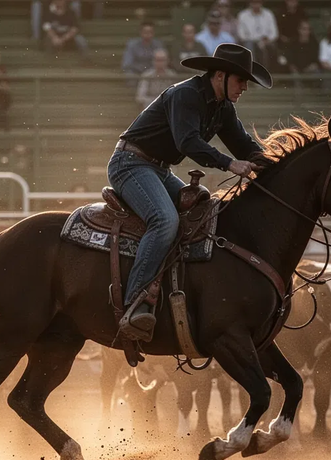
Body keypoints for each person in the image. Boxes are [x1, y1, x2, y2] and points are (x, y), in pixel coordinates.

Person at [109, 43, 272, 341]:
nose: (245, 87)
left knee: (202, 213)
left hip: (157, 170)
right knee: (165, 221)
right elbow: (188, 142)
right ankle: (135, 302)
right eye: (241, 80)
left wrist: (277, 165)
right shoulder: (184, 95)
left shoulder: (222, 108)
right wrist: (229, 163)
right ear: (220, 75)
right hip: (130, 164)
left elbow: (245, 145)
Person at [236, 0, 277, 70]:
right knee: (249, 45)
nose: (256, 5)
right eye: (254, 2)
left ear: (261, 3)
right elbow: (241, 35)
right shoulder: (243, 15)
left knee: (266, 48)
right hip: (249, 41)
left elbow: (274, 33)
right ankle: (252, 70)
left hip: (266, 42)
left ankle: (266, 71)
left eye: (258, 2)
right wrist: (255, 40)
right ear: (250, 3)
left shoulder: (268, 14)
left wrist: (265, 40)